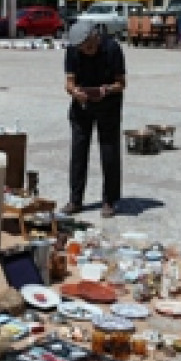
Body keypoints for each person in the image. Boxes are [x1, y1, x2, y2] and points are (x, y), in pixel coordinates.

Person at [61, 22, 126, 218]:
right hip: (82, 106)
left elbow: (122, 83)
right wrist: (75, 92)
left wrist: (105, 90)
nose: (87, 52)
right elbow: (69, 83)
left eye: (89, 47)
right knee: (78, 151)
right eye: (83, 49)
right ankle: (75, 199)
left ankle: (110, 200)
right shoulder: (73, 50)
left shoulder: (112, 48)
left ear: (95, 37)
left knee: (109, 152)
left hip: (109, 105)